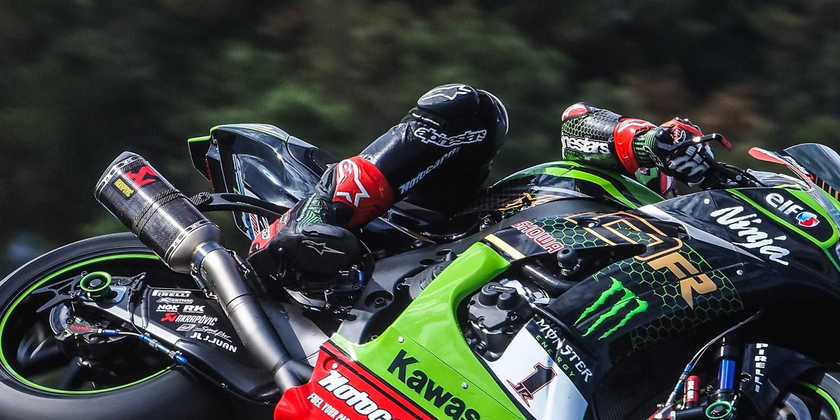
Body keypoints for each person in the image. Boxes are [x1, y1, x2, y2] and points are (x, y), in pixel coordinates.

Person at [248, 83, 722, 280]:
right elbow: (577, 123)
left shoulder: (701, 262)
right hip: (442, 229)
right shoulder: (638, 178)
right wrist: (653, 141)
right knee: (471, 107)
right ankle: (315, 220)